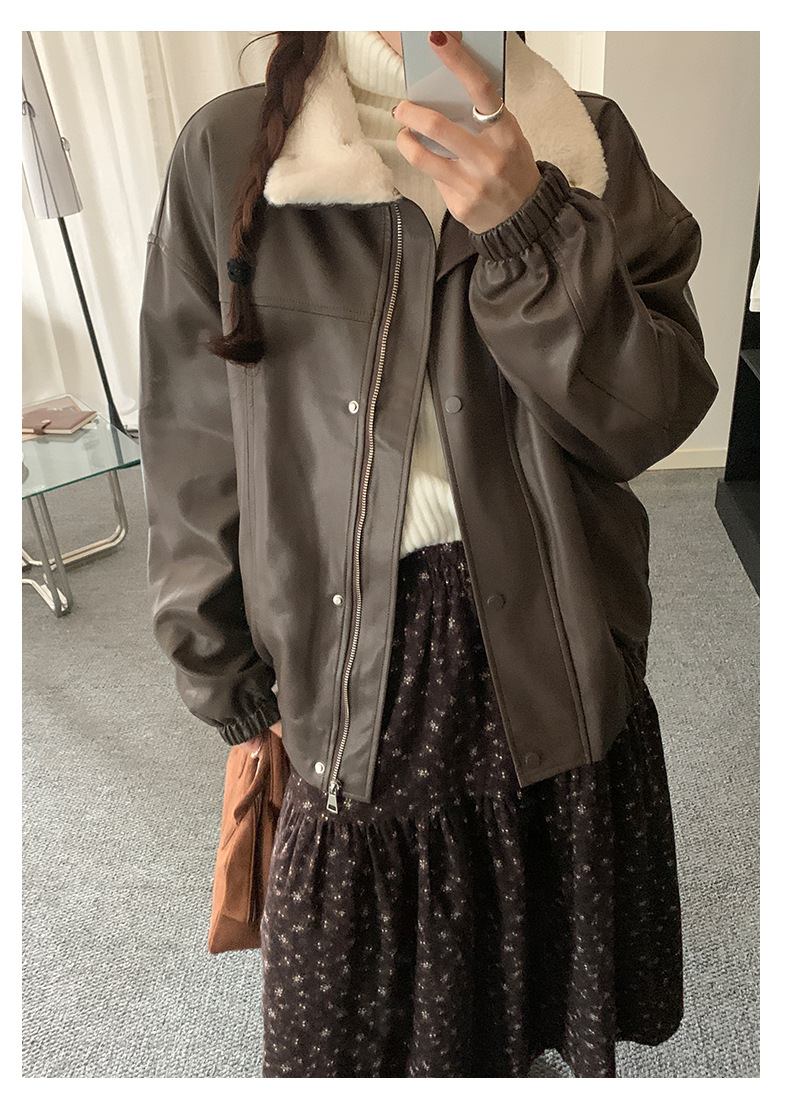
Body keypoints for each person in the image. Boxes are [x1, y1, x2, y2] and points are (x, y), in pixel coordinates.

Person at [138, 30, 718, 1079]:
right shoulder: (230, 150)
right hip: (349, 654)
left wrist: (530, 225)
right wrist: (216, 659)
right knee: (348, 1020)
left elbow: (646, 418)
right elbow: (193, 435)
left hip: (559, 628)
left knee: (532, 967)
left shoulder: (584, 142)